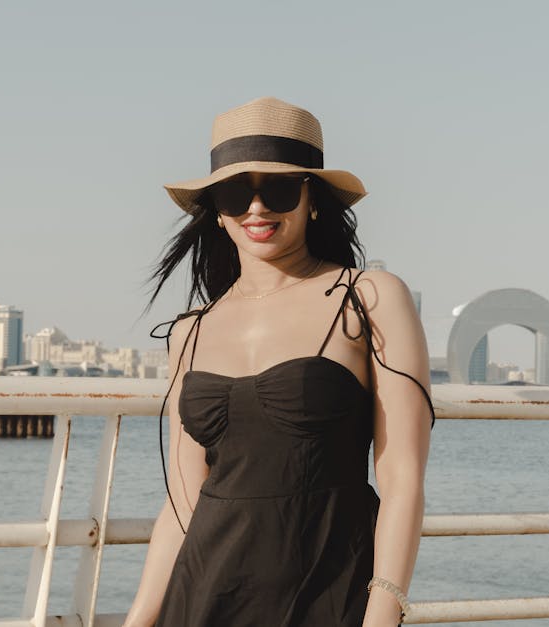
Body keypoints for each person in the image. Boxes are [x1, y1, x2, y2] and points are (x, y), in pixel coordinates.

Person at [125, 97, 434, 627]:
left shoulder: (367, 297)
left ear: (314, 199)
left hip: (327, 591)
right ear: (216, 214)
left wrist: (383, 612)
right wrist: (137, 621)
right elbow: (182, 502)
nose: (257, 208)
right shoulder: (189, 332)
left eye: (281, 188)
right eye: (235, 192)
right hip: (201, 596)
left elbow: (402, 476)